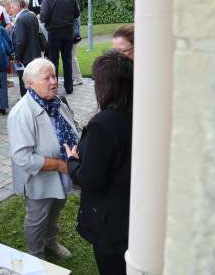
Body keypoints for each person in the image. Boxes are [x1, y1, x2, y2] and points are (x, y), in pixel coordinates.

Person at [65, 51, 133, 275]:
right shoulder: (138, 111)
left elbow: (90, 178)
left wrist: (72, 162)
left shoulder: (102, 125)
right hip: (133, 212)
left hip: (111, 222)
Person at [7, 58, 79, 260]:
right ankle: (35, 255)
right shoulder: (21, 113)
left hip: (64, 170)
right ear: (30, 83)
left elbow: (72, 128)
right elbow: (22, 157)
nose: (54, 81)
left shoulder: (56, 102)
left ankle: (50, 242)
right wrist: (59, 165)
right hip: (41, 178)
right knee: (37, 218)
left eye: (54, 76)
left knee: (56, 209)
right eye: (46, 78)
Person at [40, 0, 80, 94]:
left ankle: (54, 87)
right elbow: (76, 13)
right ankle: (69, 87)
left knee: (54, 61)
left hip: (54, 32)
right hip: (68, 32)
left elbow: (44, 17)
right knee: (67, 59)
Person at [10, 0, 43, 97]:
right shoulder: (32, 15)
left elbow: (20, 41)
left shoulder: (20, 19)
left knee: (25, 82)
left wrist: (17, 57)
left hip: (25, 57)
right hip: (35, 54)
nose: (11, 10)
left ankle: (27, 102)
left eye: (12, 7)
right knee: (34, 81)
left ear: (18, 6)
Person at [64, 0, 83, 86]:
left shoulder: (73, 7)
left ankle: (78, 78)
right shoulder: (74, 6)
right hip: (73, 35)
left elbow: (75, 24)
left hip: (72, 36)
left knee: (71, 57)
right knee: (70, 57)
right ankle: (73, 77)